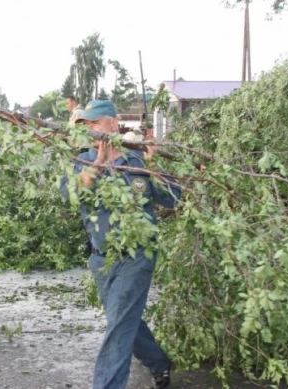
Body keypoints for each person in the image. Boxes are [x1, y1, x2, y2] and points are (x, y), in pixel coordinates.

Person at [60, 100, 181, 389]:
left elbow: (173, 199)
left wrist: (154, 165)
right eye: (85, 124)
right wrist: (98, 166)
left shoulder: (137, 162)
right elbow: (70, 196)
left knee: (117, 327)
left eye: (95, 122)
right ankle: (158, 363)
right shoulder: (82, 162)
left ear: (113, 124)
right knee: (123, 319)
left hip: (137, 256)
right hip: (102, 259)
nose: (90, 128)